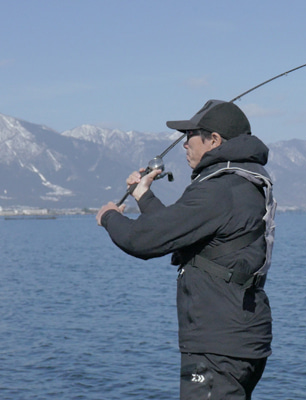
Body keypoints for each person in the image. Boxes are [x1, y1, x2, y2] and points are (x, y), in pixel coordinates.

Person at [96, 99, 275, 400]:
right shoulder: (239, 183)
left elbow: (143, 240)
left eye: (191, 134)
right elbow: (177, 231)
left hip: (217, 347)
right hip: (239, 339)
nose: (184, 144)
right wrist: (143, 196)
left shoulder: (219, 190)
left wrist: (109, 217)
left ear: (214, 140)